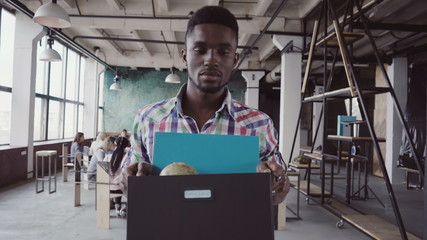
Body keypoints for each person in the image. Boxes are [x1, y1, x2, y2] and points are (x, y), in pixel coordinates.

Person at [122, 6, 290, 205]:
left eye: (223, 52)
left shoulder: (259, 124)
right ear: (185, 56)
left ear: (235, 59)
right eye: (200, 50)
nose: (211, 60)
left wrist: (277, 183)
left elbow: (276, 181)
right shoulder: (148, 118)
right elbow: (130, 175)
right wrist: (129, 179)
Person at [109, 137, 131, 216]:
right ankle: (125, 208)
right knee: (129, 187)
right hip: (119, 187)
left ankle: (117, 208)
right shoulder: (127, 155)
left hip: (110, 186)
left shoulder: (112, 154)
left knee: (117, 183)